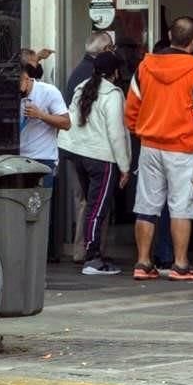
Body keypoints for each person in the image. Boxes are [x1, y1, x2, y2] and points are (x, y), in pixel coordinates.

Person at [126, 16, 193, 282]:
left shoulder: (145, 66)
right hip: (184, 147)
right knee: (182, 207)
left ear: (169, 35)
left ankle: (143, 263)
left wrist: (140, 130)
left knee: (146, 205)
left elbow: (131, 108)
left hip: (150, 145)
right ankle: (180, 264)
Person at [58, 51, 131, 275]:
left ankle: (92, 251)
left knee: (91, 206)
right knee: (97, 208)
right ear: (115, 72)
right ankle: (93, 258)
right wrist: (125, 166)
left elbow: (72, 120)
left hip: (78, 154)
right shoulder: (113, 94)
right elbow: (116, 133)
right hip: (101, 158)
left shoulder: (83, 88)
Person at [63, 31, 115, 264]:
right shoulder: (94, 77)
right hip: (94, 150)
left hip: (75, 150)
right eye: (111, 48)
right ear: (104, 51)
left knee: (84, 201)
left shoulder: (77, 73)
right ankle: (90, 250)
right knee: (94, 202)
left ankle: (82, 249)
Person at [19, 62, 71, 173]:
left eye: (18, 86)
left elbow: (66, 123)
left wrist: (41, 115)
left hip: (42, 158)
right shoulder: (11, 94)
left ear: (26, 79)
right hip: (16, 158)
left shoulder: (49, 92)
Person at [63, 32, 115, 105]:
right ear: (106, 49)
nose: (113, 52)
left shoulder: (84, 68)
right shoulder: (94, 72)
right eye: (112, 47)